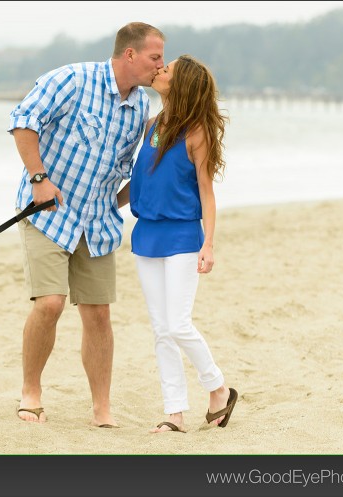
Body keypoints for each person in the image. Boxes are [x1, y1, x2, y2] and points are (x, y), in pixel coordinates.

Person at [8, 22, 166, 427]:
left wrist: (129, 197)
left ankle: (101, 409)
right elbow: (24, 120)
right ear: (130, 55)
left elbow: (128, 169)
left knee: (98, 315)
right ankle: (31, 393)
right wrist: (39, 179)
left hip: (97, 223)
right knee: (50, 303)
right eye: (155, 57)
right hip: (47, 214)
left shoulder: (141, 107)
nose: (160, 66)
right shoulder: (74, 79)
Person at [117, 54, 237, 433]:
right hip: (146, 235)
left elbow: (206, 191)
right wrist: (101, 202)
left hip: (184, 236)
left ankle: (217, 388)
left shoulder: (197, 130)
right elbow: (139, 184)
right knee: (160, 328)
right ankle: (174, 413)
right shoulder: (154, 123)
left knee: (178, 324)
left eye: (166, 69)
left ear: (180, 83)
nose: (159, 70)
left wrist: (210, 244)